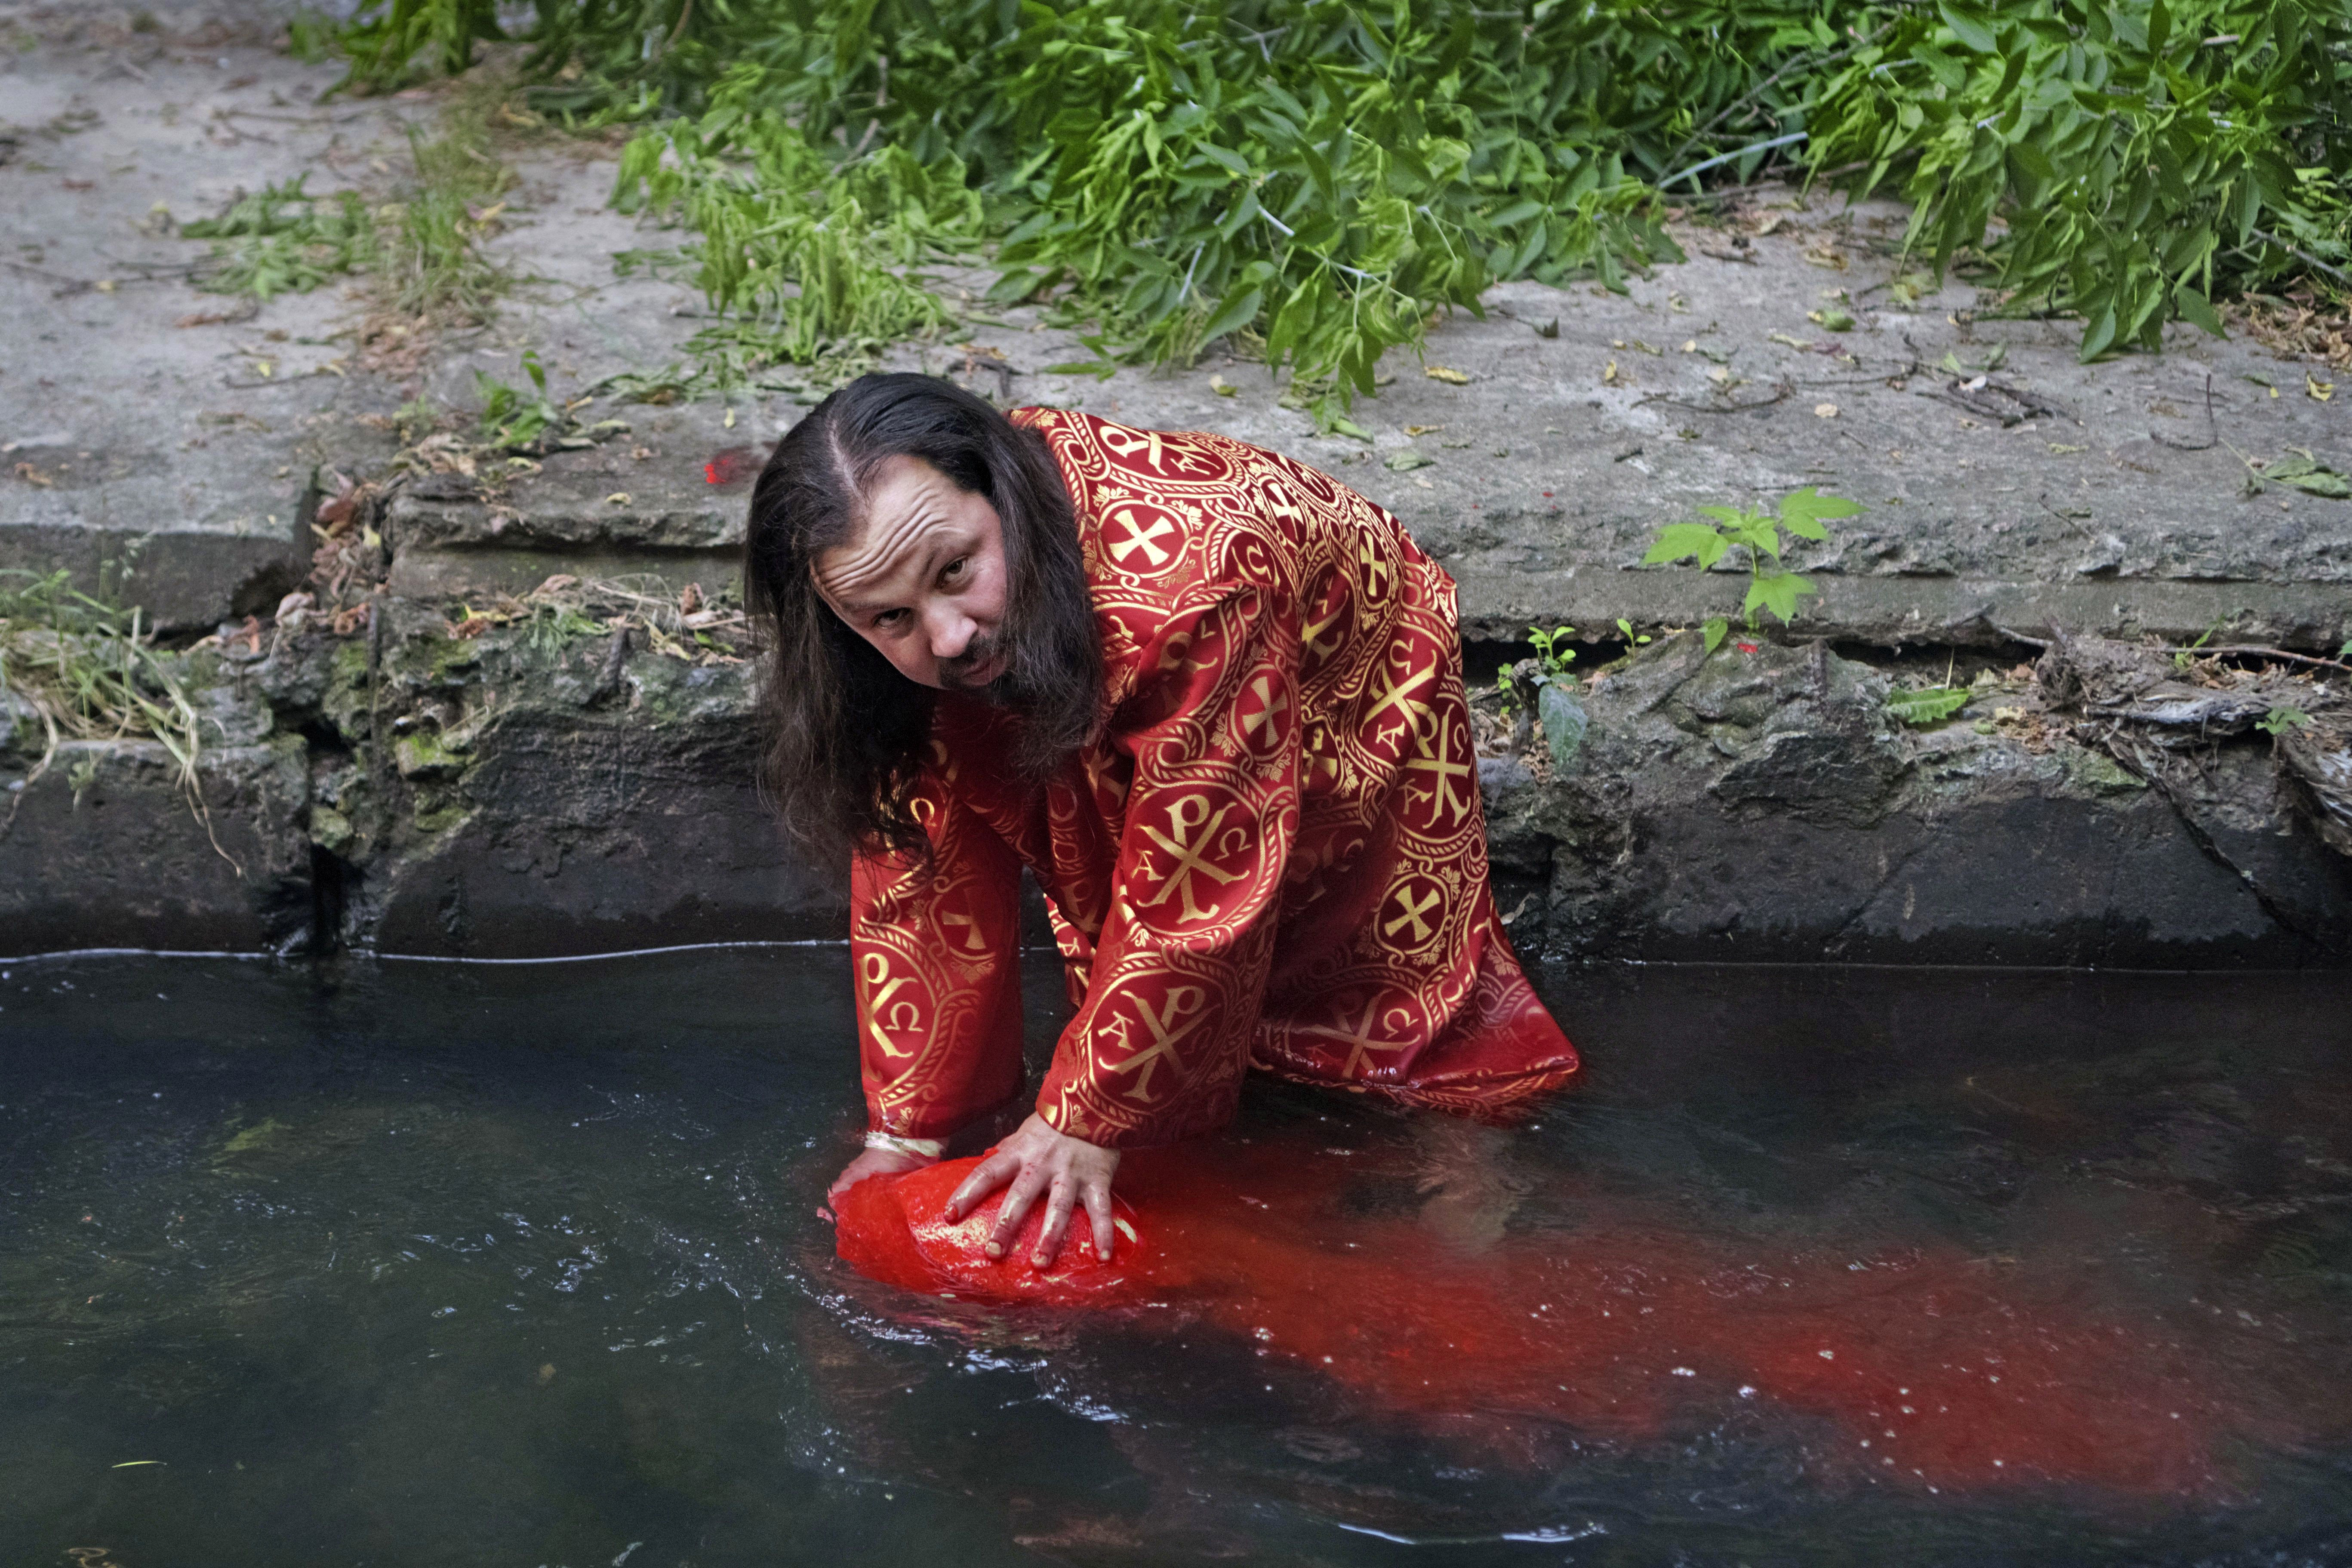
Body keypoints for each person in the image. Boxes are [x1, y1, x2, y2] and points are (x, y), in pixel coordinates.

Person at [744, 373, 1576, 1272]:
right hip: (1090, 616)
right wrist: (910, 1132)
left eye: (956, 571)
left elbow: (1201, 874)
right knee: (1047, 853)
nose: (947, 636)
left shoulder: (1197, 583)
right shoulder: (914, 622)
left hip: (1335, 647)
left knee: (1360, 952)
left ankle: (1469, 1214)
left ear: (1004, 496)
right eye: (890, 618)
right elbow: (918, 868)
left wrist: (1088, 1115)